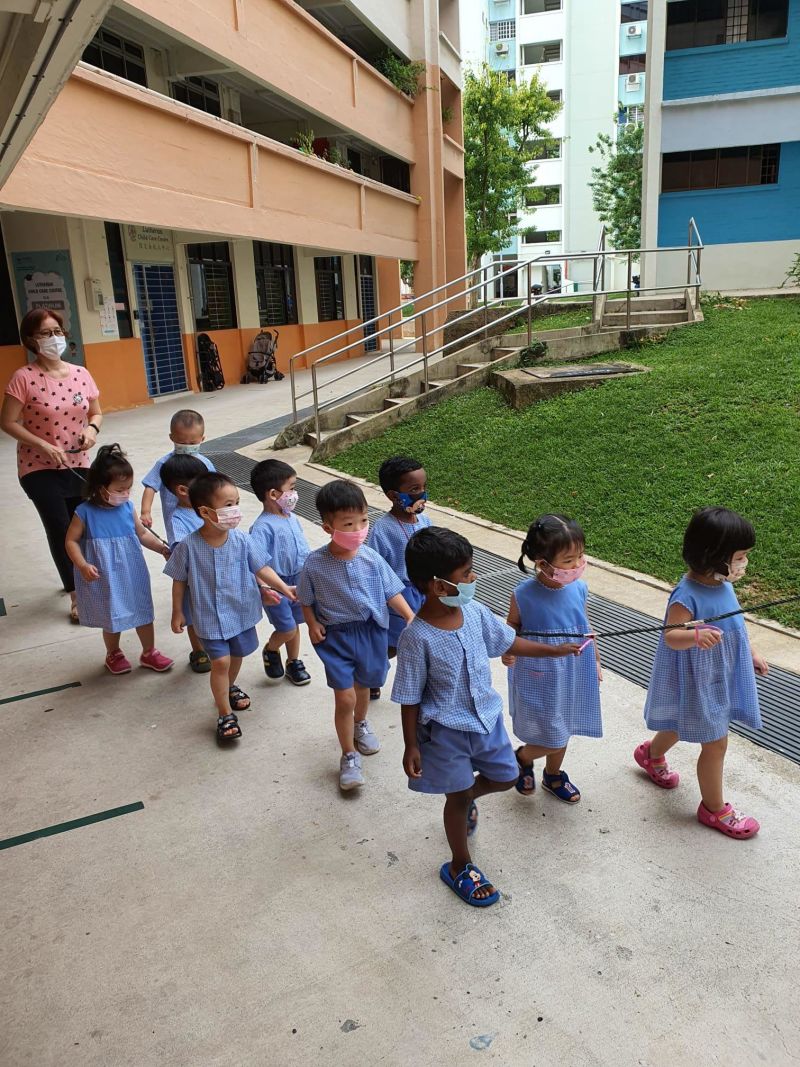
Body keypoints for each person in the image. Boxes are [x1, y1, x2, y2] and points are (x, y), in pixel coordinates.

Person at [392, 527, 580, 908]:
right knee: (456, 797)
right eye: (465, 574)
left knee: (507, 776)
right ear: (437, 586)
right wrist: (411, 743)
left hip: (486, 721)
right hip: (444, 732)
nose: (473, 578)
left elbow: (508, 642)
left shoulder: (475, 612)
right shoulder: (417, 638)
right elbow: (409, 696)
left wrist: (555, 650)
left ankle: (467, 797)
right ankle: (460, 864)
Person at [635, 506, 767, 839]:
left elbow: (735, 623)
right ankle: (714, 809)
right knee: (716, 744)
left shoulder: (722, 584)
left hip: (720, 673)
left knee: (680, 722)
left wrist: (749, 652)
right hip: (697, 679)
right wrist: (694, 635)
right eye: (740, 556)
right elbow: (671, 635)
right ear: (714, 554)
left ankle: (651, 754)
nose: (744, 564)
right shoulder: (687, 594)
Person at [297, 479, 414, 791]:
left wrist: (409, 615)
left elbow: (392, 591)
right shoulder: (314, 564)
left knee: (365, 687)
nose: (359, 529)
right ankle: (348, 755)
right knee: (345, 696)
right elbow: (306, 599)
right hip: (335, 636)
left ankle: (361, 724)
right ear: (327, 527)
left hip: (372, 631)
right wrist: (311, 622)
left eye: (363, 520)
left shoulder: (371, 557)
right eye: (349, 524)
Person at [164, 472, 291, 743]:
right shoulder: (188, 546)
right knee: (220, 661)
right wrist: (178, 611)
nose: (235, 511)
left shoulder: (242, 540)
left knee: (236, 656)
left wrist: (282, 587)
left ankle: (229, 687)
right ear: (205, 511)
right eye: (227, 505)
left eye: (236, 503)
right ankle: (224, 713)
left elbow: (262, 567)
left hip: (241, 612)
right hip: (208, 617)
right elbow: (179, 580)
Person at [1, 308, 103, 623]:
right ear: (31, 340)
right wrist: (42, 444)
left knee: (80, 526)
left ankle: (83, 579)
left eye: (57, 331)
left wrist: (92, 430)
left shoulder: (81, 373)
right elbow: (7, 421)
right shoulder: (24, 378)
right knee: (60, 527)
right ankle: (76, 596)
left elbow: (96, 412)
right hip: (38, 467)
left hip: (78, 463)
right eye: (46, 333)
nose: (54, 338)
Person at [502, 515, 603, 804]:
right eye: (569, 560)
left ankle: (553, 774)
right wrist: (508, 649)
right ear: (543, 563)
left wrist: (595, 660)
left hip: (573, 669)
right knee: (551, 732)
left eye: (580, 556)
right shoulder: (523, 594)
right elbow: (512, 627)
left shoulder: (579, 588)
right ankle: (522, 757)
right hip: (538, 672)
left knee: (564, 724)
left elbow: (586, 626)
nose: (578, 565)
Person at [64, 444, 173, 675]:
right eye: (120, 489)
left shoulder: (127, 507)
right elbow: (71, 541)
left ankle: (149, 651)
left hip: (131, 569)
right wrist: (82, 564)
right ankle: (113, 652)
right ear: (100, 488)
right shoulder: (84, 512)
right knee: (111, 612)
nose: (125, 493)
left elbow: (142, 534)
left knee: (143, 609)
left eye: (128, 488)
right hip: (104, 573)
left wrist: (162, 548)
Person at [365, 455, 431, 700]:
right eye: (414, 489)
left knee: (423, 638)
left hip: (424, 590)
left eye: (424, 487)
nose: (421, 494)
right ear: (394, 495)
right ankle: (372, 672)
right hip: (398, 595)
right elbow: (373, 567)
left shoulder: (425, 520)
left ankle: (423, 680)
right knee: (394, 643)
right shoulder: (383, 529)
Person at [249, 459, 311, 687]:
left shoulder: (292, 518)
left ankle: (293, 662)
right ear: (273, 494)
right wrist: (264, 588)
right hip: (274, 585)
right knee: (286, 628)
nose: (295, 493)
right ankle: (271, 649)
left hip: (298, 579)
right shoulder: (262, 527)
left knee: (295, 624)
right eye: (292, 488)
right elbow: (255, 562)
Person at [159, 453, 212, 674]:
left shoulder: (210, 509)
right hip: (193, 577)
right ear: (182, 490)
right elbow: (181, 547)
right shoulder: (178, 518)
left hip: (216, 572)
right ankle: (198, 650)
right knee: (194, 615)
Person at [140, 410, 214, 543]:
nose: (186, 446)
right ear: (172, 437)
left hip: (202, 516)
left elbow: (216, 486)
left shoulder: (205, 463)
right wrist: (146, 511)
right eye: (181, 442)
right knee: (180, 545)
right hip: (175, 518)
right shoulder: (165, 463)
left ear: (202, 439)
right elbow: (150, 486)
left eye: (192, 443)